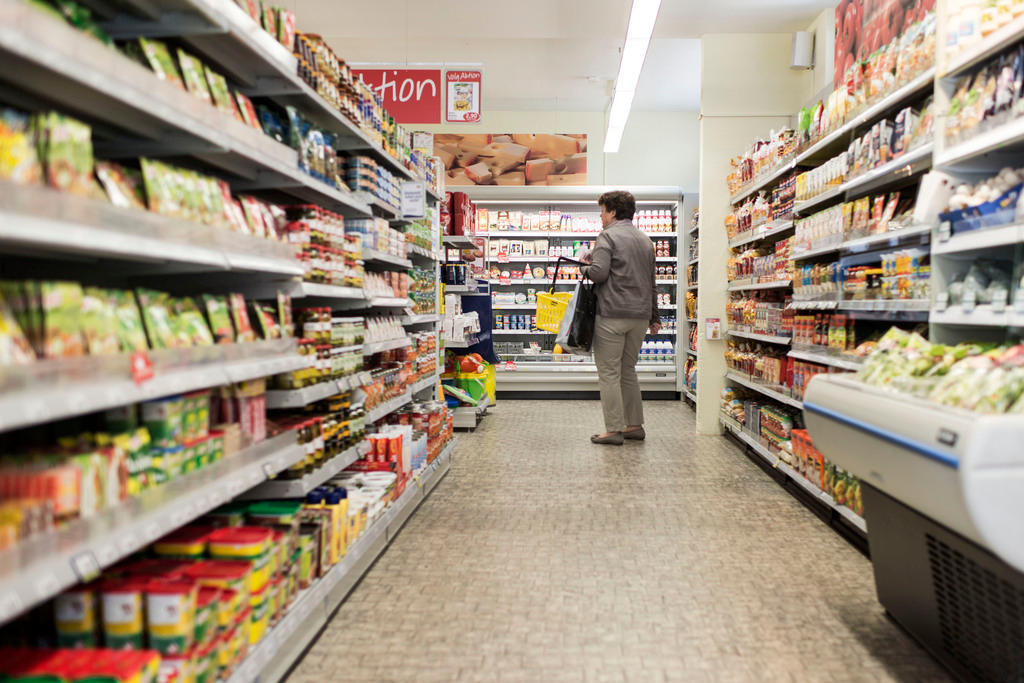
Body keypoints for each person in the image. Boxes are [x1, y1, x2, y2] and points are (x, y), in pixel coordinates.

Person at [580, 190, 660, 446]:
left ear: (613, 212)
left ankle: (613, 429)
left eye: (602, 211)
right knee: (628, 371)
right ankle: (634, 425)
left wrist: (583, 266)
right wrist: (654, 317)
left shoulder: (608, 236)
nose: (601, 217)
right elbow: (652, 283)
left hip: (612, 314)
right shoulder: (645, 240)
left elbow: (599, 274)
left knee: (609, 374)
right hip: (639, 316)